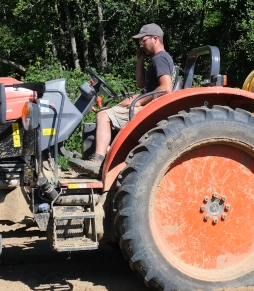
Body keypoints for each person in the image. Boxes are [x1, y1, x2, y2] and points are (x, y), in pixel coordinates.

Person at [69, 23, 175, 177]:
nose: (141, 45)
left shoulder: (160, 58)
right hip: (147, 102)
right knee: (105, 111)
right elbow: (141, 84)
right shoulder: (156, 59)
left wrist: (137, 101)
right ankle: (106, 158)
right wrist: (139, 61)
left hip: (148, 107)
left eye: (143, 40)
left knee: (103, 115)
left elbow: (166, 88)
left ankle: (97, 161)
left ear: (155, 39)